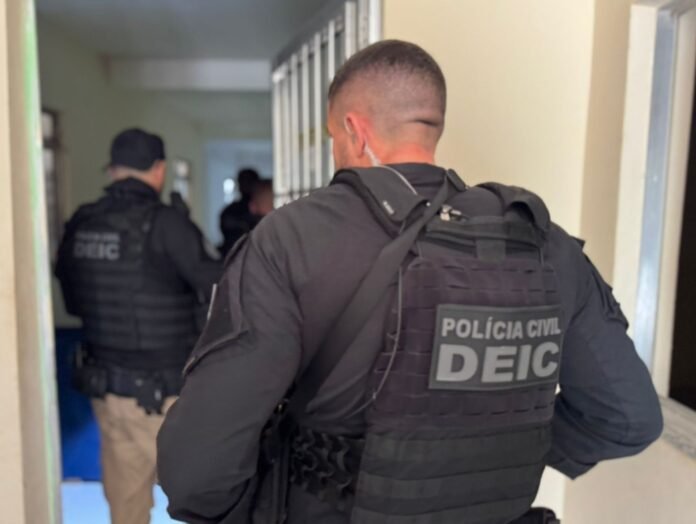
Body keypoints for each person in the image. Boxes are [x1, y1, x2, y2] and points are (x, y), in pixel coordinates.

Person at [157, 41, 663, 524]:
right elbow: (628, 417)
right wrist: (499, 452)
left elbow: (196, 470)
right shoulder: (546, 244)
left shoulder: (291, 239)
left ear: (354, 131)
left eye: (333, 138)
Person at [55, 128, 221, 524]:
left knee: (126, 508)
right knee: (207, 502)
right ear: (159, 170)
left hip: (107, 391)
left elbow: (73, 301)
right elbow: (218, 290)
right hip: (164, 398)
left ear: (112, 170)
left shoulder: (83, 222)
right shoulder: (168, 224)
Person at [219, 168, 261, 257]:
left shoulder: (262, 209)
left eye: (248, 182)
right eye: (242, 182)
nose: (245, 185)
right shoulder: (230, 211)